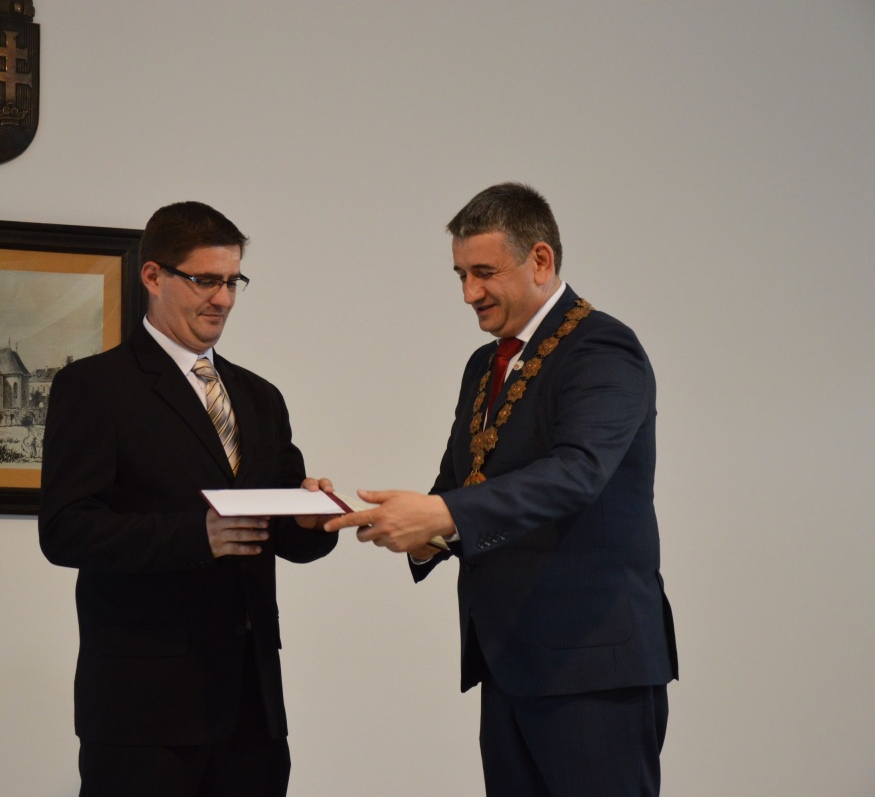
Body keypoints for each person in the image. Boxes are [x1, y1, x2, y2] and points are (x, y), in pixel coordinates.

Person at [325, 183, 678, 797]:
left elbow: (578, 471)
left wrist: (441, 514)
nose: (469, 293)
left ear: (540, 260)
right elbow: (460, 482)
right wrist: (411, 528)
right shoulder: (483, 364)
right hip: (510, 663)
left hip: (592, 666)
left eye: (484, 273)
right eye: (461, 275)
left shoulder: (603, 347)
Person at [39, 200, 338, 796]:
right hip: (141, 713)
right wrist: (197, 536)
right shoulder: (93, 388)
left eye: (232, 282)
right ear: (153, 276)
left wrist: (310, 519)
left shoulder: (260, 397)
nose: (222, 299)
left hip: (252, 710)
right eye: (205, 281)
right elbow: (66, 530)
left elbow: (281, 531)